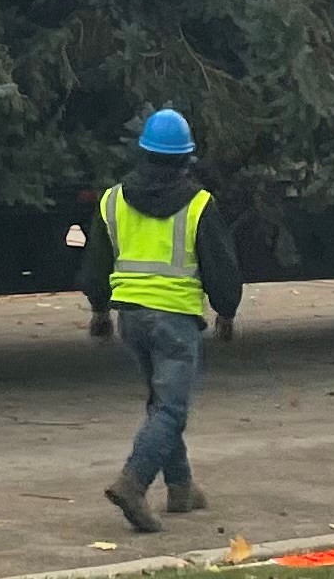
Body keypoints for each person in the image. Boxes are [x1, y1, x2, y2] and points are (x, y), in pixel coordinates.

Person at [98, 106, 244, 533]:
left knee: (162, 404)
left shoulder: (112, 199)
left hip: (130, 319)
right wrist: (227, 311)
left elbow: (95, 262)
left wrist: (97, 308)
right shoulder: (199, 205)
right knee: (171, 410)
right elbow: (220, 265)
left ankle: (181, 488)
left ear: (143, 152)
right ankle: (133, 482)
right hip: (175, 321)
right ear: (185, 158)